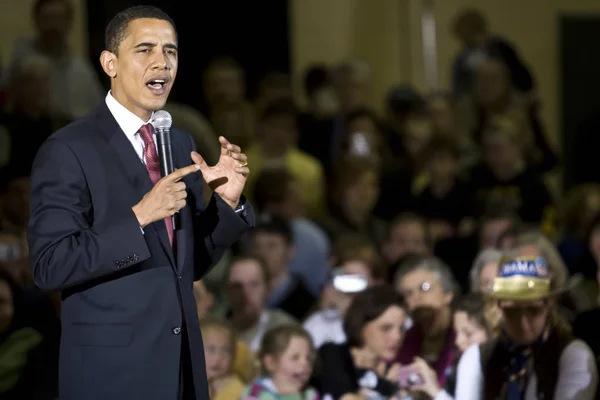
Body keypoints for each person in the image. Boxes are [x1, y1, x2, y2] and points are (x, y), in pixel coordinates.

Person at [27, 6, 254, 400]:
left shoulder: (178, 142)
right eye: (145, 49)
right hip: (113, 377)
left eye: (170, 51)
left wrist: (226, 204)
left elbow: (189, 264)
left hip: (181, 370)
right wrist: (139, 218)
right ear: (110, 63)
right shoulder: (69, 148)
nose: (161, 62)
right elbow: (50, 265)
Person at [241, 326, 319, 400]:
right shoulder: (255, 393)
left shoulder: (310, 395)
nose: (304, 363)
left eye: (308, 359)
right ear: (271, 363)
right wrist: (290, 397)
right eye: (295, 358)